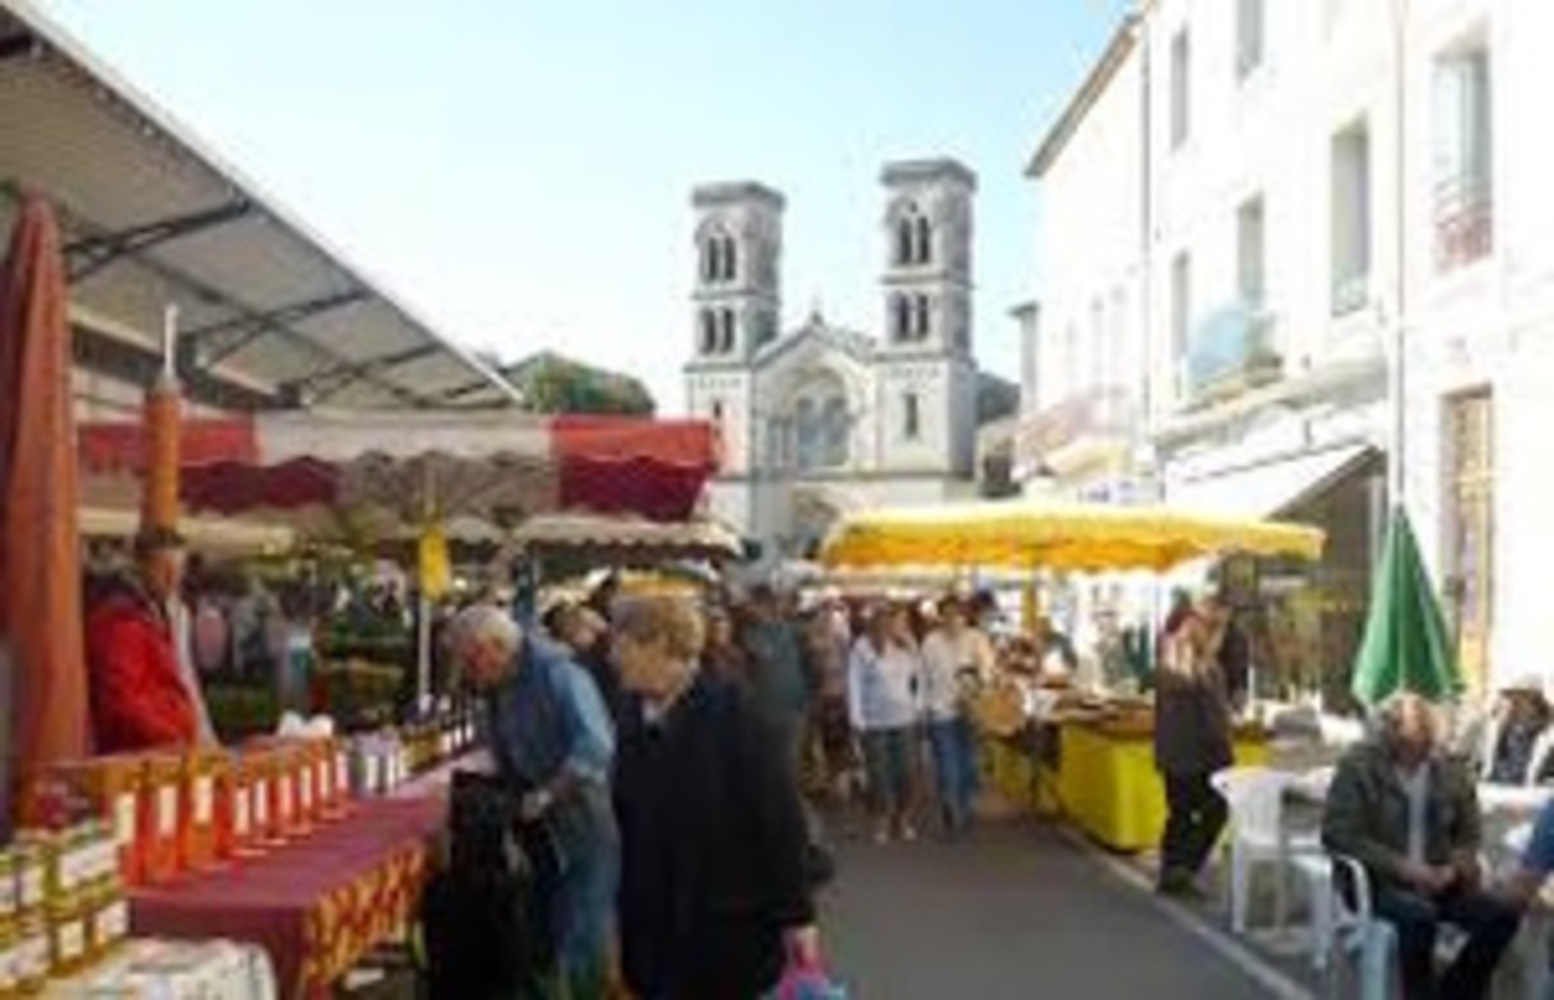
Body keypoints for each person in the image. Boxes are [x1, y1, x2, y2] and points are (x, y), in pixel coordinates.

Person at [611, 594, 820, 1000]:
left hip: (724, 923)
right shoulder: (632, 714)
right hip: (654, 925)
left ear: (659, 644)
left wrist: (798, 916)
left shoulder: (736, 715)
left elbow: (780, 819)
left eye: (622, 645)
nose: (614, 658)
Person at [446, 603, 619, 999]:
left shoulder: (557, 672)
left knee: (584, 922)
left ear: (496, 647)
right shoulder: (497, 683)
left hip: (581, 809)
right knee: (540, 920)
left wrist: (548, 793)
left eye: (471, 661)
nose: (469, 673)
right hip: (535, 813)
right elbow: (502, 746)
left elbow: (596, 745)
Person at [1322, 692, 1520, 1000]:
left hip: (1440, 879)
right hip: (1380, 882)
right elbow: (1339, 833)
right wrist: (1403, 867)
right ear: (1388, 735)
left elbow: (1470, 834)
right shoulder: (1358, 767)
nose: (1425, 749)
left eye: (1429, 739)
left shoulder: (1451, 770)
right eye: (1414, 740)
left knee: (1503, 914)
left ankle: (1454, 992)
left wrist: (1454, 867)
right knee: (1419, 915)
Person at [85, 527, 206, 753]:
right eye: (164, 569)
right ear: (140, 566)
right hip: (138, 754)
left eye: (179, 570)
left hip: (155, 750)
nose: (173, 579)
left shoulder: (152, 612)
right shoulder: (119, 620)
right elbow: (121, 699)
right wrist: (171, 737)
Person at [1153, 595, 1233, 896]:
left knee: (1181, 814)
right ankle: (1182, 868)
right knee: (1213, 810)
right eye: (1215, 625)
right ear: (1195, 623)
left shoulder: (1175, 652)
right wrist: (1223, 751)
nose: (1219, 633)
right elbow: (1209, 712)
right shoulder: (1191, 659)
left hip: (1177, 753)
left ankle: (1173, 870)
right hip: (1197, 755)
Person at [848, 604, 923, 844]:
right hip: (874, 720)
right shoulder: (862, 646)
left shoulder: (907, 644)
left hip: (904, 718)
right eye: (884, 621)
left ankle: (903, 818)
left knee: (907, 770)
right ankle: (881, 819)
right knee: (878, 773)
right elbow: (854, 682)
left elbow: (919, 677)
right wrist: (856, 716)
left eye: (894, 622)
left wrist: (918, 706)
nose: (890, 626)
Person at [920, 597, 993, 836]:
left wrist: (979, 685)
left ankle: (962, 805)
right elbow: (922, 677)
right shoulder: (931, 642)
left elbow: (988, 671)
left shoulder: (976, 639)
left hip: (970, 713)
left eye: (956, 614)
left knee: (968, 765)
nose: (952, 619)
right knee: (947, 765)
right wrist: (922, 708)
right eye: (947, 614)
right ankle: (953, 812)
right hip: (940, 711)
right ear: (940, 616)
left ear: (963, 615)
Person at [741, 584, 811, 773]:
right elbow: (757, 662)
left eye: (750, 604)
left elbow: (808, 659)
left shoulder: (791, 630)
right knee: (772, 764)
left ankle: (787, 799)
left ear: (762, 604)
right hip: (766, 711)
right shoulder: (750, 634)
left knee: (789, 763)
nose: (747, 608)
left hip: (793, 707)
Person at [1483, 679, 1553, 785]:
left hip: (1534, 793)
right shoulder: (1501, 730)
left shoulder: (1546, 732)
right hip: (1498, 790)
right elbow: (1489, 769)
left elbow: (1542, 770)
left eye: (1518, 699)